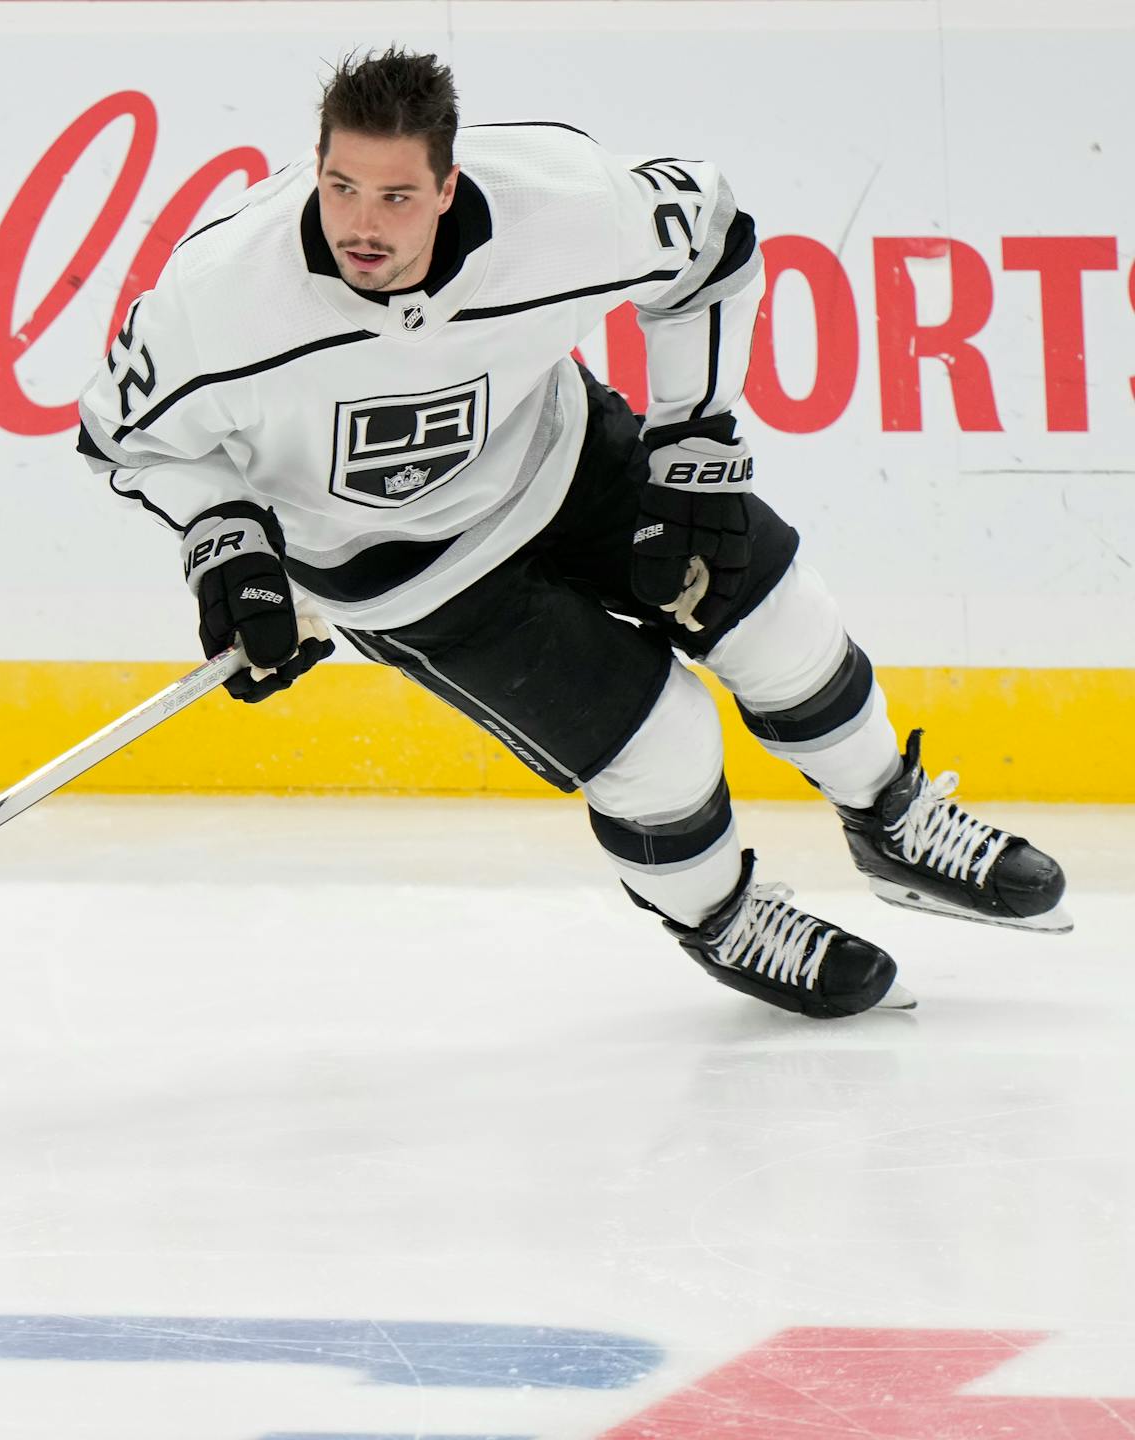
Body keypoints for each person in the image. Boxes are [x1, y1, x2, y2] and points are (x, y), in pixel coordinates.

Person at [75, 47, 1069, 1018]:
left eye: (397, 196)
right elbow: (123, 439)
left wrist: (692, 440)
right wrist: (228, 545)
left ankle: (893, 818)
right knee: (665, 746)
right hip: (406, 576)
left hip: (562, 456)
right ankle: (723, 920)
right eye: (341, 187)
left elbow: (711, 240)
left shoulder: (556, 201)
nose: (361, 226)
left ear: (449, 185)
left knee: (782, 622)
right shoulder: (218, 299)